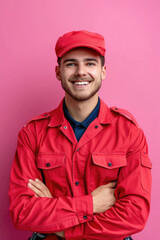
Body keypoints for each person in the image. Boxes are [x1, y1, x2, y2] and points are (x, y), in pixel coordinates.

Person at [9, 30, 152, 240]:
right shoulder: (32, 133)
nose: (80, 71)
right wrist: (92, 204)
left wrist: (61, 225)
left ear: (103, 71)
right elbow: (22, 212)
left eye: (90, 63)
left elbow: (135, 215)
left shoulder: (129, 132)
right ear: (58, 72)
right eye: (71, 64)